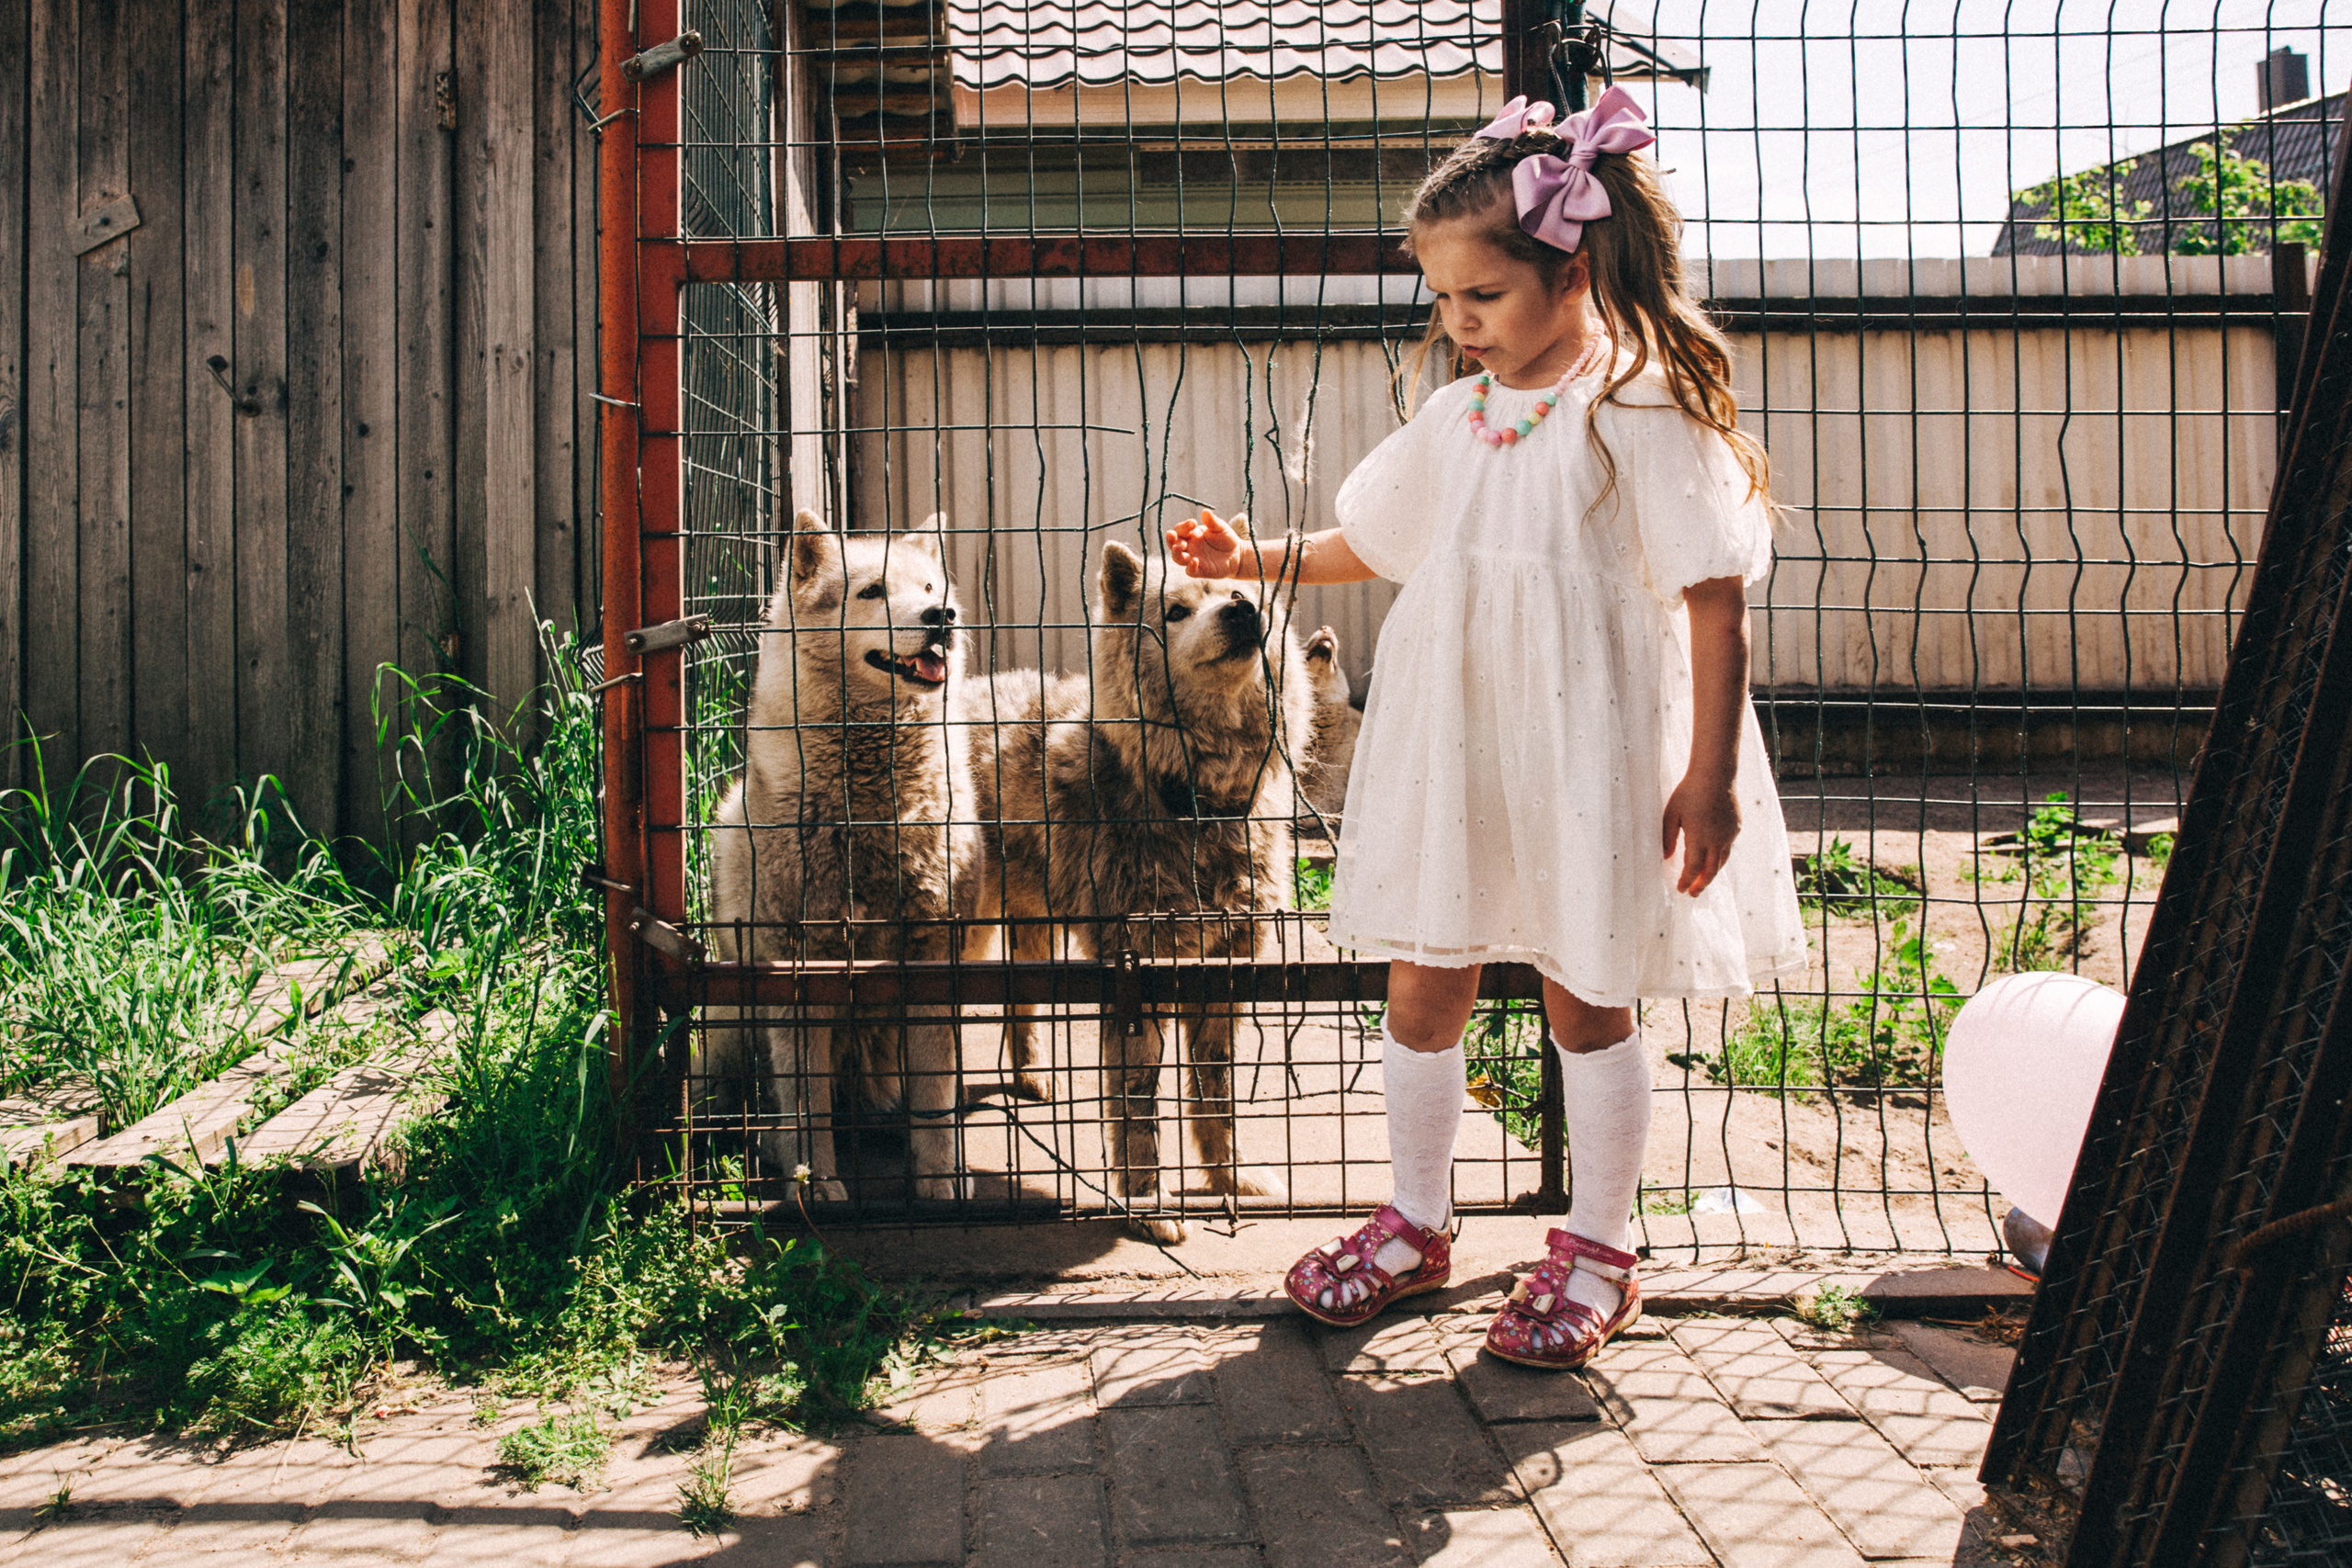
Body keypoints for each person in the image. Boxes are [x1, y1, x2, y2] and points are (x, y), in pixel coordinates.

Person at [1166, 87, 1805, 1370]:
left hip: (1591, 757)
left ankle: (1602, 1245)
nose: (1458, 325)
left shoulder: (1638, 411)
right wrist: (1260, 551)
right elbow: (1381, 541)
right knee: (1423, 983)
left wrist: (1712, 774)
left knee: (1587, 996)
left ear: (1576, 267)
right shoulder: (1457, 420)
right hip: (1457, 749)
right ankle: (1416, 1219)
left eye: (1484, 297)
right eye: (1444, 301)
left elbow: (1715, 601)